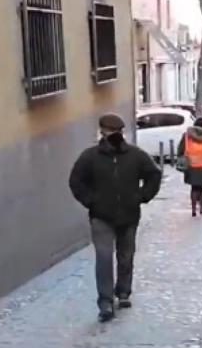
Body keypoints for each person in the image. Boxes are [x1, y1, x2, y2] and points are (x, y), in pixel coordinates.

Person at [69, 113, 163, 322]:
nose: (112, 135)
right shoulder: (90, 157)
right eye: (109, 132)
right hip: (101, 217)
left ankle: (123, 292)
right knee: (103, 258)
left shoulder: (136, 156)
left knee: (126, 256)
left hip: (128, 216)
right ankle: (105, 302)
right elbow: (76, 181)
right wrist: (90, 201)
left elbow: (153, 175)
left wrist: (142, 196)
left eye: (115, 132)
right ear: (102, 133)